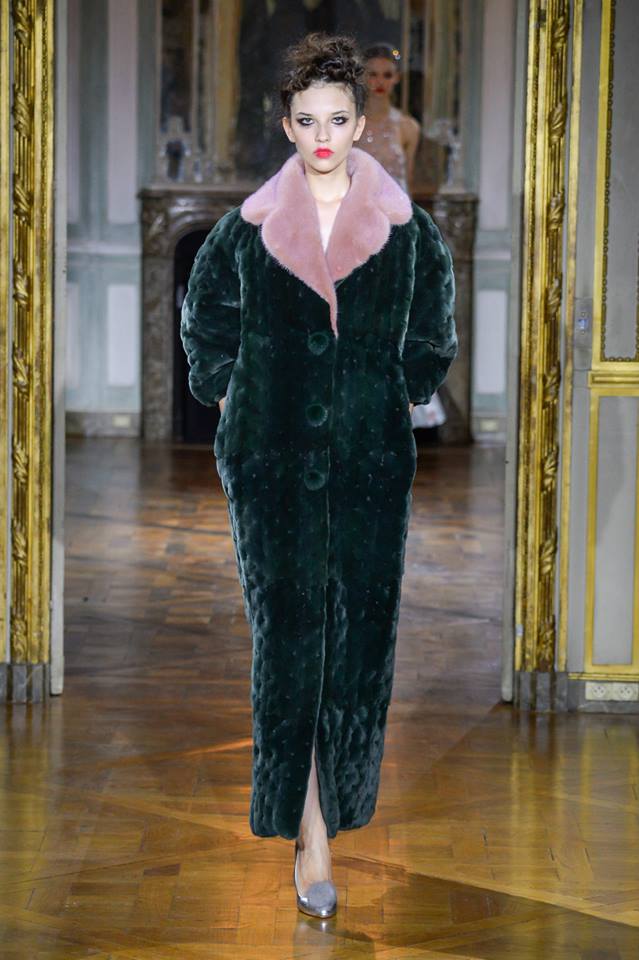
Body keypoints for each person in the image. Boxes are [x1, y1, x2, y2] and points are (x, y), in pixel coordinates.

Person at [180, 31, 457, 919]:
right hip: (269, 461)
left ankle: (333, 810)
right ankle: (310, 833)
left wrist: (401, 386)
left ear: (361, 120)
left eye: (339, 119)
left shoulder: (407, 233)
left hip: (370, 463)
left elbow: (433, 327)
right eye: (308, 121)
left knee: (360, 642)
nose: (324, 136)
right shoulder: (247, 228)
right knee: (289, 638)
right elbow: (204, 314)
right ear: (286, 125)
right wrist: (229, 391)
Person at [357, 40, 449, 431]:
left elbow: (404, 186)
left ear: (396, 79)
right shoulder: (349, 124)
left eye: (387, 75)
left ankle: (395, 408)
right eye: (372, 74)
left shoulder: (408, 127)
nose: (379, 82)